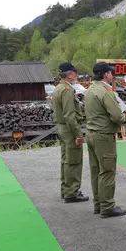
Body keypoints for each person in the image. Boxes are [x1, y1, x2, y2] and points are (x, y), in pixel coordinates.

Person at [85, 62, 126, 218]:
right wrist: (125, 116)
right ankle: (108, 206)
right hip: (103, 135)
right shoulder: (105, 92)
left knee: (96, 170)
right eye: (111, 73)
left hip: (91, 133)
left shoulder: (90, 90)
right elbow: (117, 116)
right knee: (107, 171)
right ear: (105, 74)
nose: (113, 75)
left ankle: (98, 204)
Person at [53, 62, 89, 203]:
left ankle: (66, 189)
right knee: (73, 161)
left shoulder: (58, 88)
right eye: (75, 73)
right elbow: (69, 115)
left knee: (66, 160)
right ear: (69, 74)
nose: (77, 75)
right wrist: (78, 134)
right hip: (69, 129)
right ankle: (72, 192)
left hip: (62, 127)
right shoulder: (67, 90)